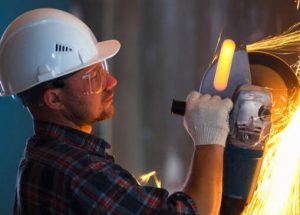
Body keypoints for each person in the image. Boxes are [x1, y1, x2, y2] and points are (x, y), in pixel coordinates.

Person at [0, 8, 233, 215]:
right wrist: (209, 136)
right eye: (93, 78)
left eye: (102, 68)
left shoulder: (38, 157)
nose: (111, 81)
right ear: (54, 99)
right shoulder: (81, 173)